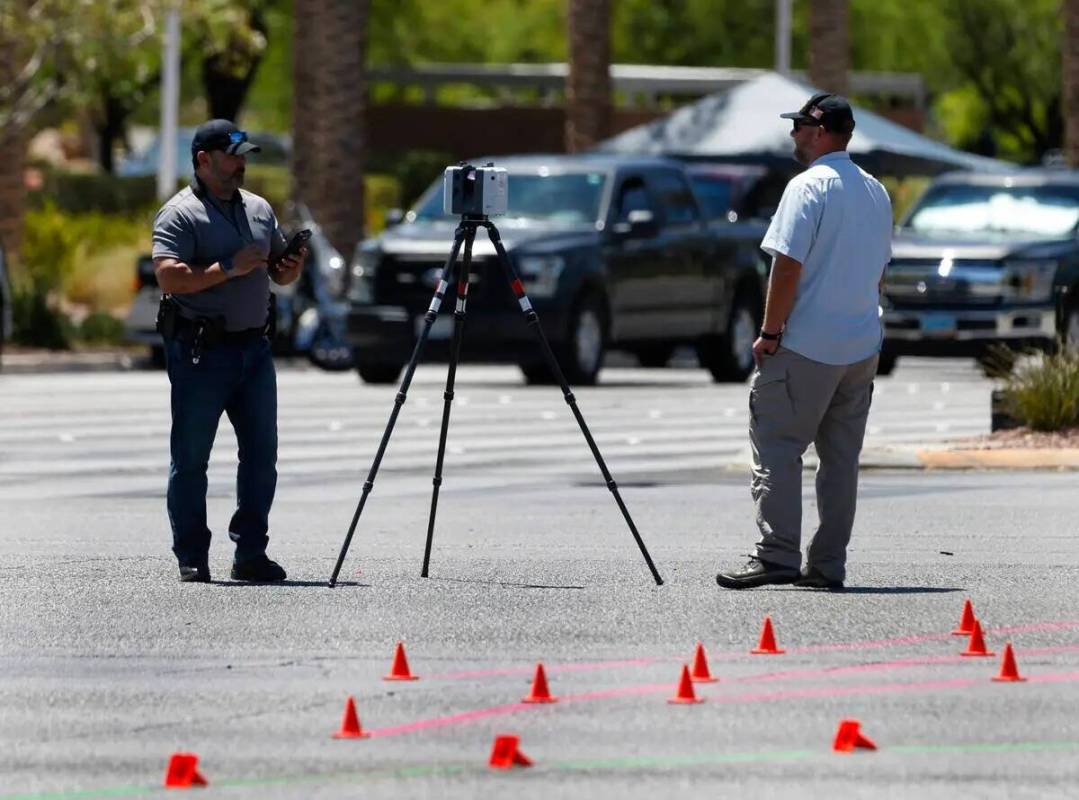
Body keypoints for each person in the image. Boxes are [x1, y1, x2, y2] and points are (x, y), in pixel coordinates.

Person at [715, 93, 893, 591]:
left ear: (820, 131)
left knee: (777, 445)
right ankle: (828, 564)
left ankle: (777, 555)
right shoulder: (876, 191)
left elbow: (787, 265)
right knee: (840, 460)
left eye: (799, 127)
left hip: (806, 346)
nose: (793, 134)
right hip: (860, 345)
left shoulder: (807, 187)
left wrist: (770, 333)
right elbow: (879, 272)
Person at [152, 119, 306, 583]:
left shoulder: (259, 209)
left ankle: (250, 553)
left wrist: (289, 267)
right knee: (192, 458)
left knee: (261, 455)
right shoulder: (179, 213)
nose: (242, 164)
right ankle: (192, 554)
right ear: (204, 159)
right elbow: (169, 276)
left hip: (254, 350)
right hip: (202, 351)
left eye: (245, 156)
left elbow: (277, 273)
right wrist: (228, 267)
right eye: (234, 155)